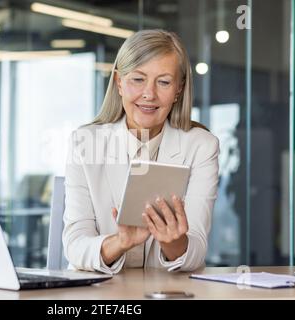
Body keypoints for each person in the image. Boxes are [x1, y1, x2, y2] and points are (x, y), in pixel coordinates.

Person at [63, 29, 219, 274]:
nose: (149, 94)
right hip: (100, 294)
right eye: (138, 79)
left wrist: (172, 241)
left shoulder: (201, 146)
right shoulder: (85, 142)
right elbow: (74, 245)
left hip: (167, 291)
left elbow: (196, 249)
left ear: (179, 89)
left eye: (164, 82)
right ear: (119, 83)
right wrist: (121, 242)